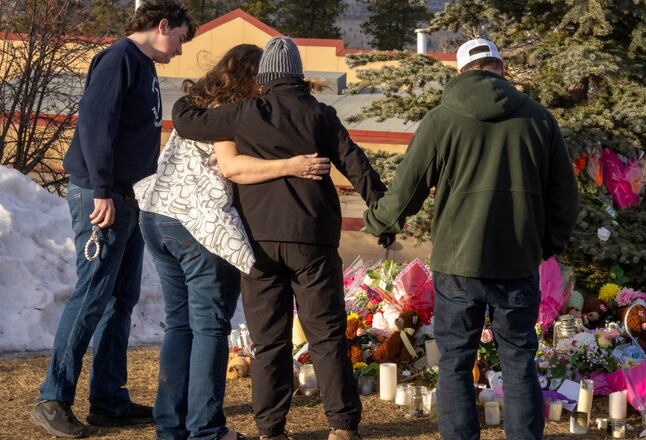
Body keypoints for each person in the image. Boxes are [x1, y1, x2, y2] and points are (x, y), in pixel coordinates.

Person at [363, 38, 580, 440]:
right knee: (518, 363)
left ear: (461, 71)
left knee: (455, 363)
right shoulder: (538, 119)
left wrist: (378, 221)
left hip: (458, 266)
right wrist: (544, 246)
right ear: (500, 68)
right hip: (517, 263)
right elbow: (565, 199)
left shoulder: (442, 119)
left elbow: (407, 191)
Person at [172, 37, 387, 440]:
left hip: (259, 242)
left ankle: (271, 429)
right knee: (326, 335)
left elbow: (185, 121)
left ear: (265, 77)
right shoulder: (321, 115)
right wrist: (383, 213)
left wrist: (197, 96)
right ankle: (342, 426)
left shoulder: (244, 113)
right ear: (297, 75)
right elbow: (358, 166)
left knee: (269, 340)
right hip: (313, 240)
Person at [134, 43, 331, 440]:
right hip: (198, 225)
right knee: (209, 328)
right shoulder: (231, 111)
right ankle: (207, 429)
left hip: (156, 215)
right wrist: (293, 165)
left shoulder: (200, 103)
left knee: (180, 326)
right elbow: (233, 166)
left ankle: (171, 426)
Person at [31, 1, 196, 438]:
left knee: (121, 299)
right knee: (92, 295)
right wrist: (102, 190)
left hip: (129, 196)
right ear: (162, 26)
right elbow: (95, 125)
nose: (179, 49)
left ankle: (108, 400)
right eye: (179, 38)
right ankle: (53, 398)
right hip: (102, 196)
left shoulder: (142, 66)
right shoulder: (120, 59)